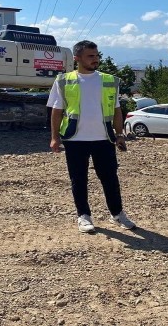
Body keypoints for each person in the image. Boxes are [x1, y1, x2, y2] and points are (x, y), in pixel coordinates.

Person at [47, 40, 136, 233]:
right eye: (90, 56)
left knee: (110, 178)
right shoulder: (63, 80)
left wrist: (119, 134)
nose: (95, 59)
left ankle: (117, 214)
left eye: (97, 55)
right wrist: (55, 137)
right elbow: (56, 111)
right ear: (77, 58)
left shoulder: (110, 80)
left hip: (103, 139)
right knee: (78, 179)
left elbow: (116, 110)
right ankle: (83, 216)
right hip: (75, 140)